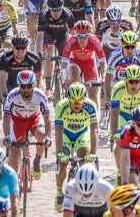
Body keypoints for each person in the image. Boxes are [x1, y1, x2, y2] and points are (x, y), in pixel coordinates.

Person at [53, 82, 100, 211]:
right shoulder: (61, 106)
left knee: (85, 160)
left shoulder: (91, 106)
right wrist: (59, 154)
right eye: (73, 101)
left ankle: (84, 192)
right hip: (66, 134)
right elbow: (58, 130)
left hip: (81, 133)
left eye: (80, 101)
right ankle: (59, 192)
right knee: (63, 162)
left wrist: (93, 154)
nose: (77, 104)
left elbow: (94, 129)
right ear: (68, 99)